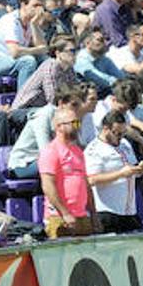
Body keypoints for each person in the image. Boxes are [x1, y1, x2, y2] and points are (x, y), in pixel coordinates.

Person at [85, 108, 143, 233]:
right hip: (108, 212)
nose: (120, 137)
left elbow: (131, 170)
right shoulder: (94, 150)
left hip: (129, 211)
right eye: (117, 133)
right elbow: (91, 179)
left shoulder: (124, 143)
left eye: (123, 133)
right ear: (105, 129)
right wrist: (121, 174)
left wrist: (140, 169)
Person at [39, 102, 93, 237]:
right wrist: (65, 213)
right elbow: (48, 185)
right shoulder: (51, 151)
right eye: (73, 123)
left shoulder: (78, 151)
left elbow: (86, 184)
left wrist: (93, 213)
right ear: (59, 127)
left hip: (81, 215)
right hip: (59, 217)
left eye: (78, 123)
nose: (77, 127)